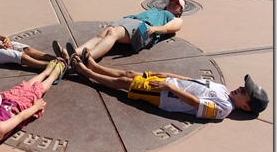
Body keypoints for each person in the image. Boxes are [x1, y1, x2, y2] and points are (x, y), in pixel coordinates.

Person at [70, 52, 269, 120]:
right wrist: (169, 76)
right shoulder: (223, 90)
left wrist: (169, 87)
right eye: (244, 86)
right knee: (130, 74)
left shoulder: (223, 109)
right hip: (167, 83)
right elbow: (190, 81)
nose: (241, 89)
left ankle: (87, 73)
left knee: (125, 83)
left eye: (245, 92)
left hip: (164, 95)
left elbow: (195, 102)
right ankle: (96, 66)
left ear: (245, 107)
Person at [0, 59, 67, 143]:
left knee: (22, 88)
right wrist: (35, 108)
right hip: (19, 108)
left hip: (6, 104)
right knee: (36, 91)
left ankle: (45, 72)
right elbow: (20, 117)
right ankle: (53, 75)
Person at [53, 0, 185, 62]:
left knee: (113, 33)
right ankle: (73, 52)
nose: (173, 3)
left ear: (180, 10)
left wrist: (155, 29)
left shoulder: (176, 18)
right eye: (171, 1)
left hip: (144, 27)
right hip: (132, 20)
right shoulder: (157, 10)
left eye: (177, 4)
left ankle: (86, 58)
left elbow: (169, 28)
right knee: (101, 35)